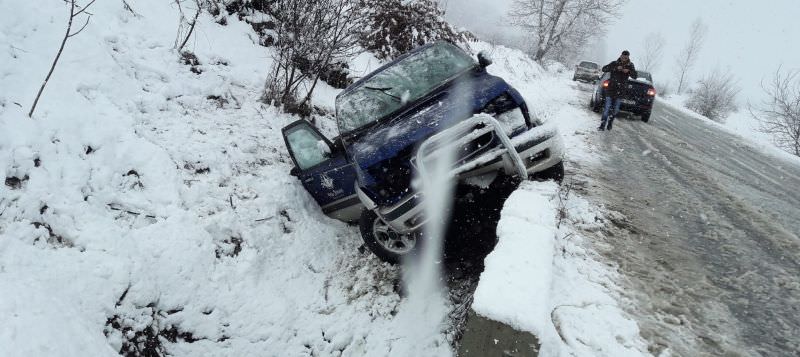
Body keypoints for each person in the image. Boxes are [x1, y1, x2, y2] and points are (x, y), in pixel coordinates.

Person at [599, 50, 637, 131]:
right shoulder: (614, 63)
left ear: (628, 58)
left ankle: (610, 122)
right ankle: (602, 125)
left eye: (626, 57)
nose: (624, 58)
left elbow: (635, 76)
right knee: (607, 108)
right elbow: (604, 69)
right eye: (623, 56)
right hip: (611, 89)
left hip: (621, 91)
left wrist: (629, 71)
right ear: (621, 56)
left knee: (616, 109)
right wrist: (615, 68)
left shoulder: (630, 65)